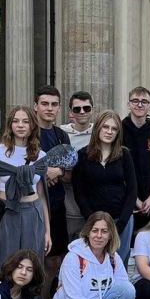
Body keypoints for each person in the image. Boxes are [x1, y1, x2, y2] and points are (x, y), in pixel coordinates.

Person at [0, 105, 50, 276]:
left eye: (26, 121)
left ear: (32, 125)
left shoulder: (41, 156)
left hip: (33, 214)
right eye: (16, 121)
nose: (21, 125)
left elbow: (42, 196)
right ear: (10, 125)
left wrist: (47, 232)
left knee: (32, 269)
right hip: (7, 212)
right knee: (5, 266)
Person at [73, 110, 138, 263]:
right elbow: (79, 193)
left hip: (121, 219)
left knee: (118, 263)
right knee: (95, 263)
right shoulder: (82, 156)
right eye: (105, 127)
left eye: (114, 129)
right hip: (94, 223)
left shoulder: (124, 155)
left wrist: (122, 222)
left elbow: (132, 191)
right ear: (97, 128)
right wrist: (92, 220)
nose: (109, 132)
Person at [35, 86, 72, 293]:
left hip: (56, 204)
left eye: (54, 104)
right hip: (32, 205)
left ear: (59, 108)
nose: (49, 108)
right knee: (31, 260)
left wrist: (57, 171)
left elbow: (69, 174)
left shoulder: (61, 136)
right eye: (45, 104)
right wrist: (43, 173)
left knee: (54, 260)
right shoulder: (28, 132)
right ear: (36, 106)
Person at [122, 86, 150, 243]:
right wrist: (135, 199)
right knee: (124, 247)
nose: (139, 105)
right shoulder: (119, 130)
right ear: (128, 104)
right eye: (135, 101)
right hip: (125, 200)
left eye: (144, 101)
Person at [62, 91, 95, 239]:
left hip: (94, 204)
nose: (82, 112)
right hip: (68, 206)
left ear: (93, 110)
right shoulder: (61, 134)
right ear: (71, 112)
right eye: (77, 109)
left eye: (86, 108)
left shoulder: (102, 132)